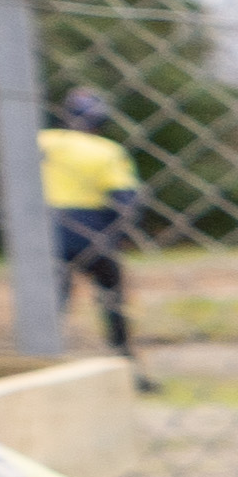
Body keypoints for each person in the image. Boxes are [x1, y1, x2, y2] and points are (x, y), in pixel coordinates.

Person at [39, 90, 144, 357]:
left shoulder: (42, 141)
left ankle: (44, 355)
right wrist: (121, 232)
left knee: (53, 301)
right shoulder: (107, 149)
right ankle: (123, 356)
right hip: (93, 226)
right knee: (111, 297)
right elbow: (124, 198)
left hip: (46, 227)